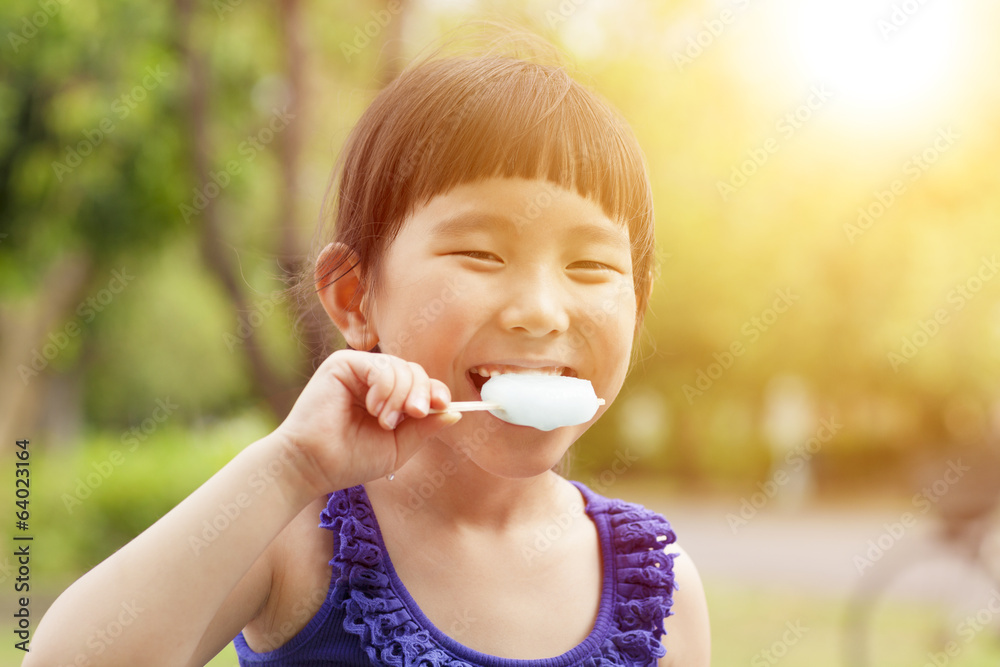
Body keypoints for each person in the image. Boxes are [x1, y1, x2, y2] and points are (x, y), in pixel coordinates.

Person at [26, 26, 711, 667]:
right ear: (355, 298)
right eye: (480, 252)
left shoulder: (660, 584)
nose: (539, 311)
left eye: (590, 266)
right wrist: (288, 465)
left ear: (639, 304)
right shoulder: (299, 540)